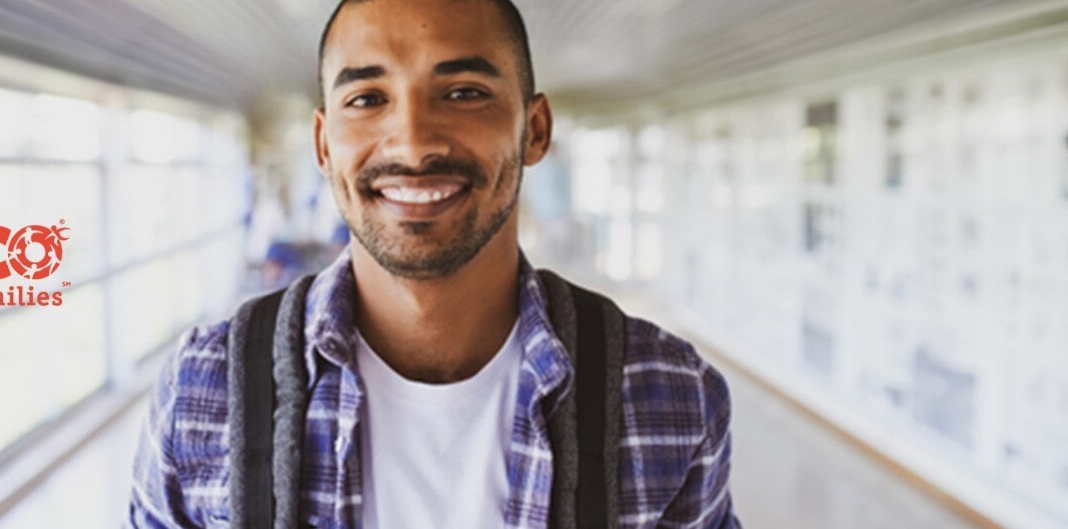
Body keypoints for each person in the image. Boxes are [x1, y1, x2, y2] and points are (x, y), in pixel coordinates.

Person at [128, 0, 740, 527]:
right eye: (367, 98)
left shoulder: (670, 395)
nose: (414, 140)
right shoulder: (205, 388)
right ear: (323, 145)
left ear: (534, 128)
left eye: (465, 93)